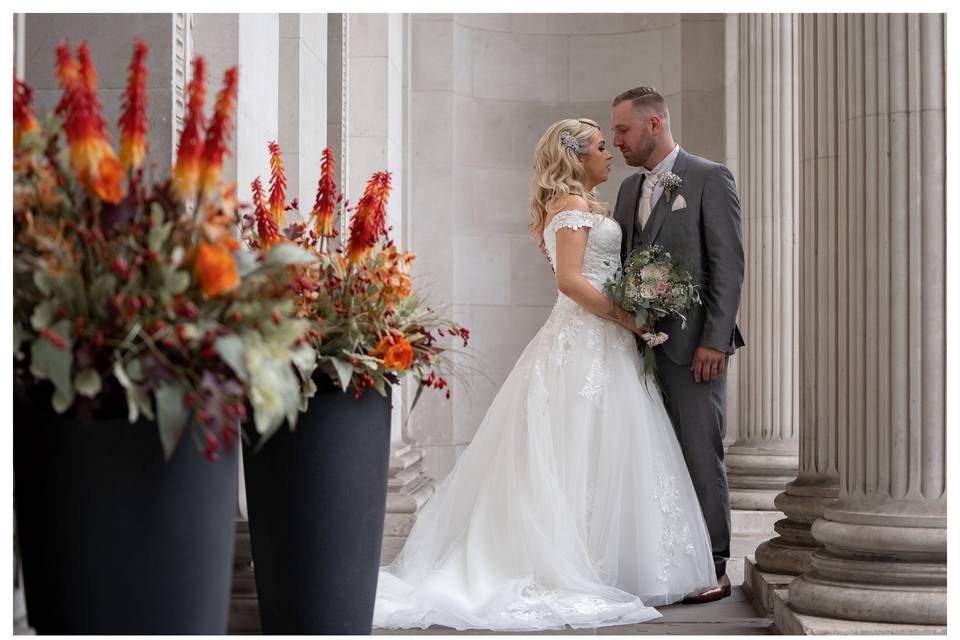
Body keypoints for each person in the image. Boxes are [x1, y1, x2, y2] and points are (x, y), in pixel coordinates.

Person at [373, 118, 717, 631]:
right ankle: (575, 561)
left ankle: (608, 558)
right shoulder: (573, 207)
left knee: (602, 445)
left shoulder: (586, 205)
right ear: (577, 157)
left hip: (604, 339)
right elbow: (570, 282)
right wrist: (629, 317)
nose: (609, 154)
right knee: (575, 442)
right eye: (602, 147)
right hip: (585, 338)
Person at [610, 87, 745, 603]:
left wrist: (715, 341)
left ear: (655, 123)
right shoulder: (626, 191)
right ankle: (667, 561)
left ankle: (712, 564)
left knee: (698, 453)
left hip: (695, 352)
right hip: (639, 351)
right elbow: (622, 264)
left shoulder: (710, 178)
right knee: (655, 459)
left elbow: (728, 269)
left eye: (623, 130)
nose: (617, 141)